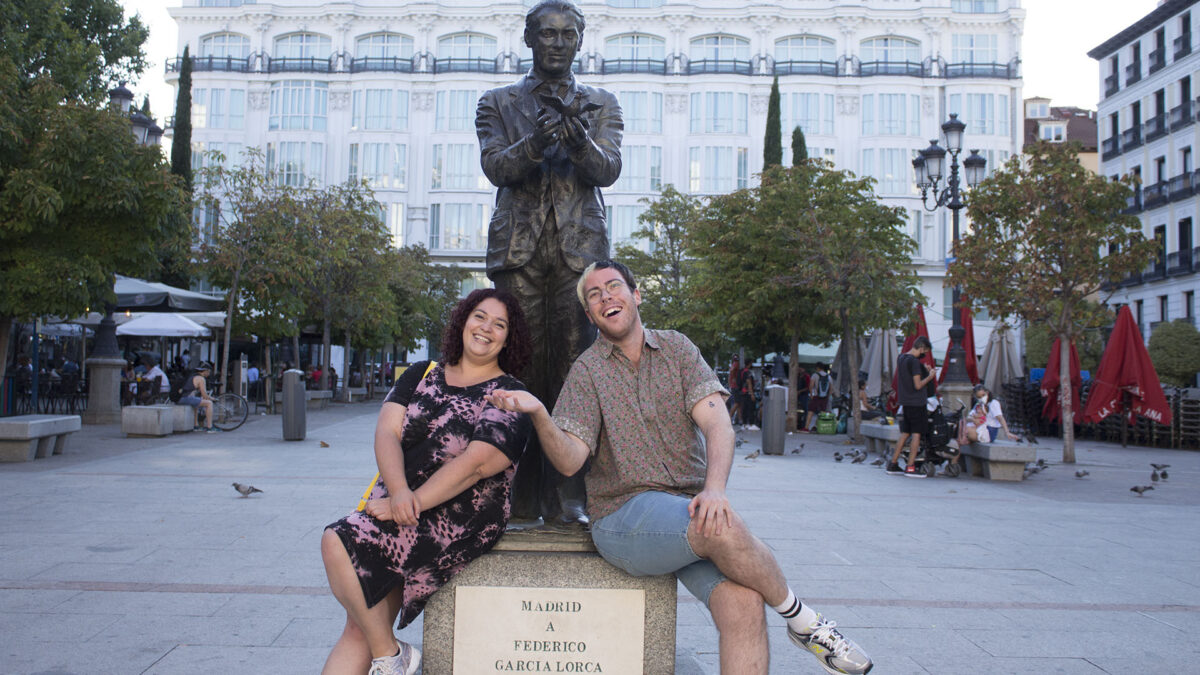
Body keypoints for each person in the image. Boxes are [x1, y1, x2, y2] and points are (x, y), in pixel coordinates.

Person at [487, 260, 873, 675]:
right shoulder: (587, 371)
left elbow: (717, 423)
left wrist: (715, 489)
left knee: (743, 604)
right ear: (589, 314)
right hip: (624, 516)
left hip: (687, 509)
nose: (605, 298)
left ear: (635, 295)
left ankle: (792, 620)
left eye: (613, 286)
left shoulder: (677, 348)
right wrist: (541, 415)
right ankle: (804, 622)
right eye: (593, 295)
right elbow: (569, 461)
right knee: (717, 526)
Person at [320, 289, 533, 675]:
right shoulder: (421, 372)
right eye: (479, 316)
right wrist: (399, 491)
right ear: (463, 320)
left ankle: (391, 655)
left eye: (499, 324)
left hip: (457, 516)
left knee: (336, 539)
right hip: (398, 503)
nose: (486, 328)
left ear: (509, 338)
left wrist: (410, 501)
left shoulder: (510, 394)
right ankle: (389, 655)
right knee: (359, 628)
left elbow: (479, 464)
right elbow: (386, 432)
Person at [476, 0, 623, 524]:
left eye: (567, 35)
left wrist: (579, 141)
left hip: (579, 254)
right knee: (515, 373)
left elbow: (608, 171)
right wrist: (537, 140)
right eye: (547, 34)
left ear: (579, 42)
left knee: (571, 374)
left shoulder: (601, 102)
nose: (557, 42)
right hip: (518, 251)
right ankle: (514, 495)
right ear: (529, 39)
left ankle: (567, 497)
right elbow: (496, 167)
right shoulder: (497, 101)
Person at [887, 337, 935, 477]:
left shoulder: (901, 358)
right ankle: (910, 466)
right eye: (924, 351)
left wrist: (924, 371)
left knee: (904, 433)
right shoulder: (914, 362)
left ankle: (893, 464)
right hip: (917, 402)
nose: (924, 354)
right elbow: (918, 385)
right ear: (921, 348)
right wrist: (930, 376)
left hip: (905, 401)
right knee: (916, 434)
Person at [179, 364, 217, 433]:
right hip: (184, 398)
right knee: (209, 403)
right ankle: (210, 427)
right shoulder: (201, 379)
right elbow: (204, 395)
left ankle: (196, 425)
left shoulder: (193, 376)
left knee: (196, 402)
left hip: (180, 398)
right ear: (205, 371)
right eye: (209, 372)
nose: (209, 374)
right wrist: (212, 398)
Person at [802, 363, 832, 432]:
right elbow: (831, 388)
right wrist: (827, 396)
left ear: (818, 368)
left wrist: (811, 395)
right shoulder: (828, 376)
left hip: (816, 396)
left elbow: (811, 386)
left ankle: (806, 428)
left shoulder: (815, 375)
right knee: (822, 412)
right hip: (825, 397)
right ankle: (818, 427)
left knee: (810, 411)